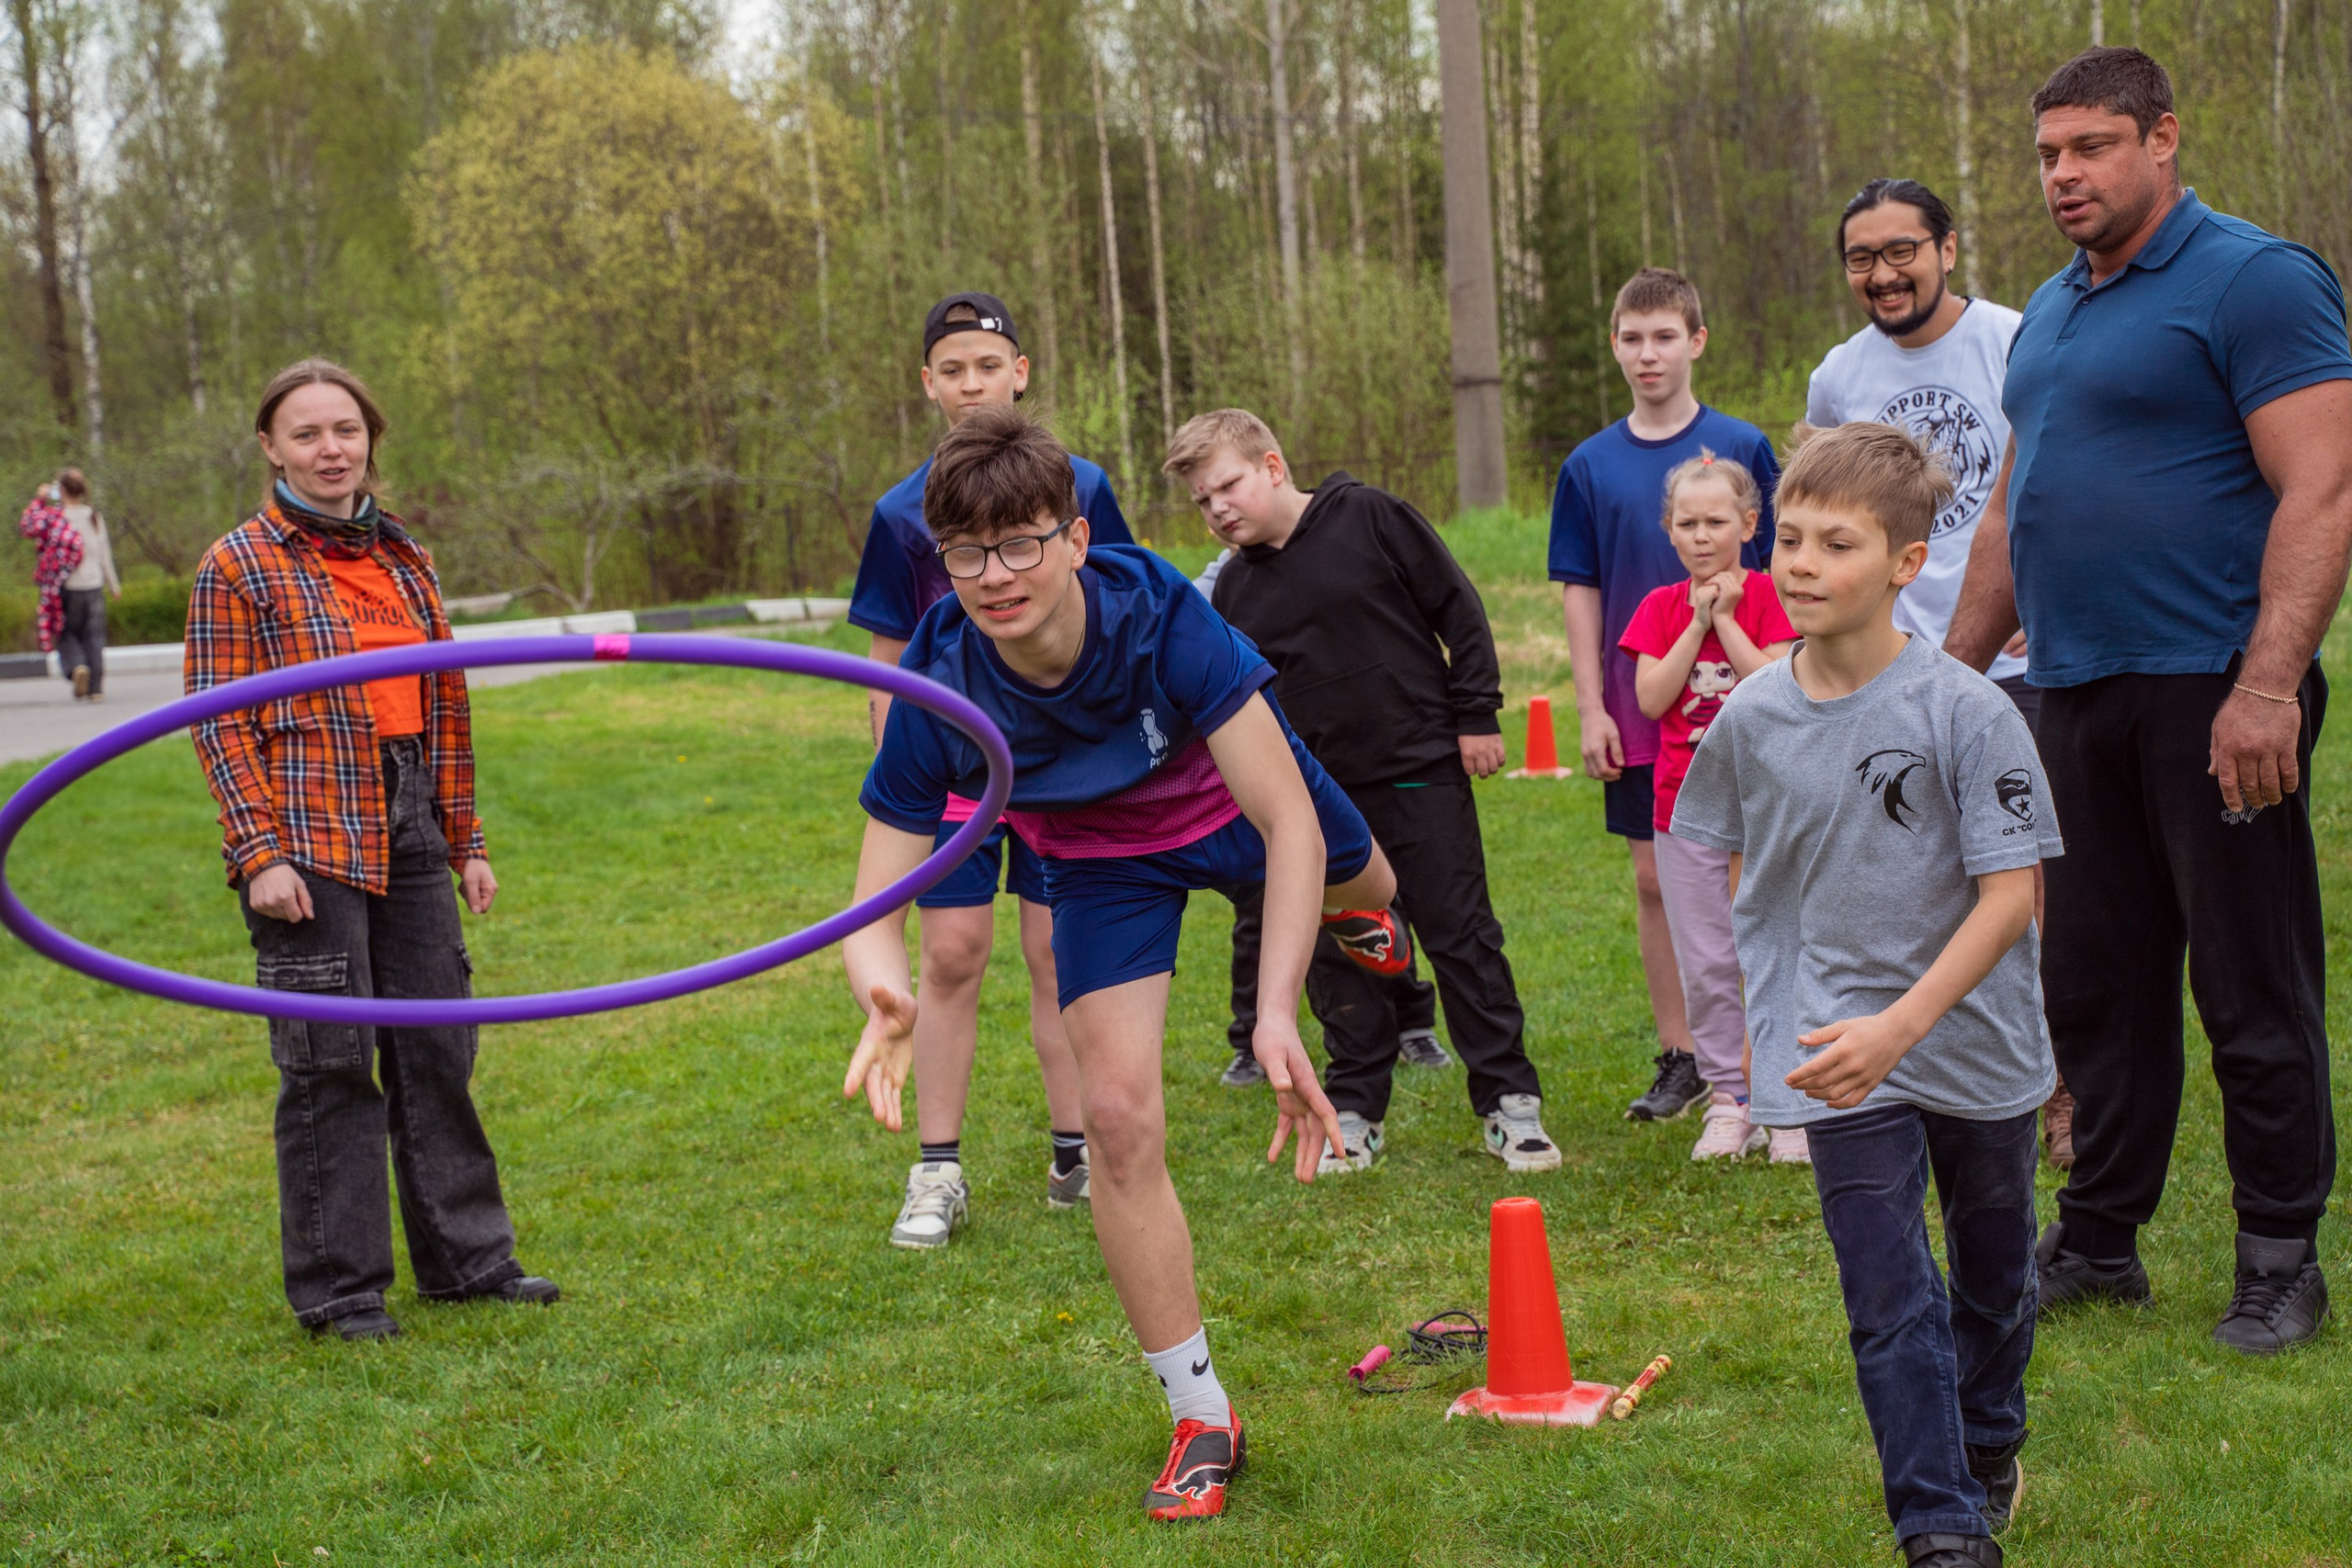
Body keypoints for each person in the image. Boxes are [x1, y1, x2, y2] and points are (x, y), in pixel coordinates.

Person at [840, 405, 1408, 1520]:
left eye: (1020, 545)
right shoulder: (940, 677)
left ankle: (1356, 924)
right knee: (1115, 1119)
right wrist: (881, 985)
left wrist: (1277, 1011)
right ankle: (1200, 1413)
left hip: (1236, 809)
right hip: (1102, 864)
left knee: (1371, 889)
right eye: (966, 554)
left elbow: (1287, 824)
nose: (996, 577)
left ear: (1074, 538)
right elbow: (880, 882)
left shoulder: (1160, 613)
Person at [1945, 47, 2352, 1353]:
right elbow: (2008, 515)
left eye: (2091, 147)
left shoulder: (2256, 280)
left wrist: (2268, 684)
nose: (2063, 175)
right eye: (2047, 154)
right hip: (2069, 689)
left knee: (2249, 980)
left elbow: (2323, 488)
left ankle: (2279, 1257)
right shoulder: (2050, 310)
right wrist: (1943, 681)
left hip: (2212, 691)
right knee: (2094, 984)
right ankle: (2100, 1239)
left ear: (2161, 138)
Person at [1675, 423, 2061, 1568]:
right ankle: (1939, 1526)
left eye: (1834, 544)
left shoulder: (1968, 711)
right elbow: (1740, 868)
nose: (1799, 564)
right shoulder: (1749, 718)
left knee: (1992, 1282)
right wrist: (1780, 1008)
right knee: (1888, 1295)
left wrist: (1905, 1022)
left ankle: (1988, 1438)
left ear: (1904, 563)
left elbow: (2010, 898)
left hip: (1975, 1044)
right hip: (1838, 1052)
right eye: (1789, 538)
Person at [184, 359, 556, 1342]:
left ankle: (467, 1263)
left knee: (438, 1045)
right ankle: (343, 1290)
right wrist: (258, 853)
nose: (330, 450)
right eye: (306, 434)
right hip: (307, 829)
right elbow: (218, 723)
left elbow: (446, 706)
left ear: (370, 439)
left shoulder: (405, 558)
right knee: (331, 1060)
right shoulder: (238, 564)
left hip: (411, 814)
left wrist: (464, 839)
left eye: (345, 430)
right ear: (271, 448)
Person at [1173, 408, 1559, 1174]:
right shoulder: (1234, 592)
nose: (1217, 508)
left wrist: (1476, 713)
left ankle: (1510, 1103)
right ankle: (1354, 1108)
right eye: (1202, 501)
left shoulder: (1370, 516)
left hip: (1420, 769)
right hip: (1320, 806)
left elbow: (1457, 607)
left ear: (1273, 466)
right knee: (1342, 954)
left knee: (1461, 935)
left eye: (1228, 486)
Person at [846, 290, 1135, 1248]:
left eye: (987, 365)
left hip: (1062, 768)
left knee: (1059, 952)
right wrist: (903, 783)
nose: (971, 384)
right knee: (950, 954)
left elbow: (1121, 619)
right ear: (927, 385)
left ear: (1021, 373)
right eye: (952, 369)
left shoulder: (1082, 486)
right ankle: (937, 1168)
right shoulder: (901, 513)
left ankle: (1075, 1152)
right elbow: (889, 661)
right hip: (953, 776)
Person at [1804, 179, 2075, 1171]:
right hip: (1894, 676)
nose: (1882, 274)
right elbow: (1826, 515)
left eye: (1901, 251)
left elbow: (2061, 475)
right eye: (1861, 258)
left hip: (2016, 665)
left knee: (2029, 885)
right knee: (1912, 878)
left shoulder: (2014, 340)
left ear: (1947, 249)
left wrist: (2036, 595)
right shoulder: (1839, 376)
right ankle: (1926, 1067)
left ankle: (2057, 1084)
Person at [1548, 266, 1780, 1124]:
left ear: (1696, 341)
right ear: (1615, 346)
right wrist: (1591, 706)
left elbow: (1785, 568)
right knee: (1656, 879)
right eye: (1633, 338)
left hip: (1744, 704)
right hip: (1645, 699)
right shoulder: (1588, 464)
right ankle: (1685, 1055)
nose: (1649, 354)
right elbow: (1580, 588)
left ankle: (1765, 1063)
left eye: (1665, 336)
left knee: (1756, 883)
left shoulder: (1743, 445)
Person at [1195, 548, 1449, 1091]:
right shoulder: (1219, 583)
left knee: (1370, 898)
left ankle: (1414, 1021)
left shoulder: (1336, 555)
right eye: (1205, 506)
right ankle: (1249, 1040)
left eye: (1224, 499)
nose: (1219, 511)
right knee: (1258, 912)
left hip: (1346, 756)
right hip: (1259, 766)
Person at [1616, 452, 1797, 1163]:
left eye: (1716, 521)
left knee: (1775, 951)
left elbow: (1776, 685)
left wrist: (1727, 621)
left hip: (1768, 806)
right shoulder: (1659, 608)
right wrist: (1695, 625)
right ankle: (1730, 1097)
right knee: (1709, 960)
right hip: (1683, 811)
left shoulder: (1773, 595)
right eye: (1686, 523)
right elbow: (1651, 697)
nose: (1701, 535)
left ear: (1749, 524)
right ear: (1668, 529)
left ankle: (1787, 1098)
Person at [17, 469, 120, 701]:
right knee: (94, 637)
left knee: (66, 633)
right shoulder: (93, 516)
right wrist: (113, 584)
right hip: (93, 584)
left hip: (66, 587)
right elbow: (104, 552)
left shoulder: (54, 517)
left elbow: (27, 526)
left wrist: (40, 499)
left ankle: (76, 668)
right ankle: (96, 689)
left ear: (61, 490)